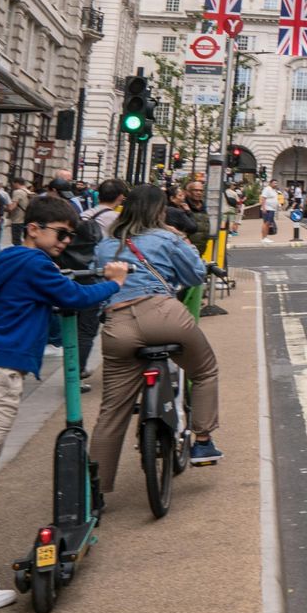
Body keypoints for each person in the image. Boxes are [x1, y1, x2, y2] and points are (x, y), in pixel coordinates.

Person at [0, 195, 126, 613]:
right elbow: (75, 297)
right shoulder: (35, 263)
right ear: (34, 229)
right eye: (60, 233)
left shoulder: (8, 260)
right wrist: (114, 281)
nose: (65, 241)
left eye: (70, 235)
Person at [91, 185, 223, 495]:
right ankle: (202, 442)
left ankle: (93, 490)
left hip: (118, 323)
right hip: (164, 315)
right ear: (159, 211)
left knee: (112, 410)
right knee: (204, 370)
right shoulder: (167, 238)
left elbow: (96, 281)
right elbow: (195, 276)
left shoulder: (105, 245)